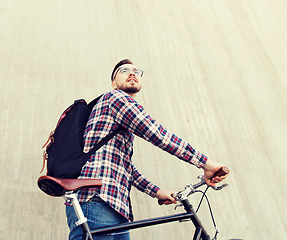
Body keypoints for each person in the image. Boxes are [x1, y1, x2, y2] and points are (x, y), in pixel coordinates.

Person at [65, 59, 227, 240]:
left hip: (115, 206)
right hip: (96, 200)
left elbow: (125, 167)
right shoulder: (115, 98)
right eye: (124, 70)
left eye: (136, 71)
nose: (132, 73)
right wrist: (205, 163)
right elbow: (156, 133)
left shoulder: (116, 116)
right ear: (113, 83)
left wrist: (156, 191)